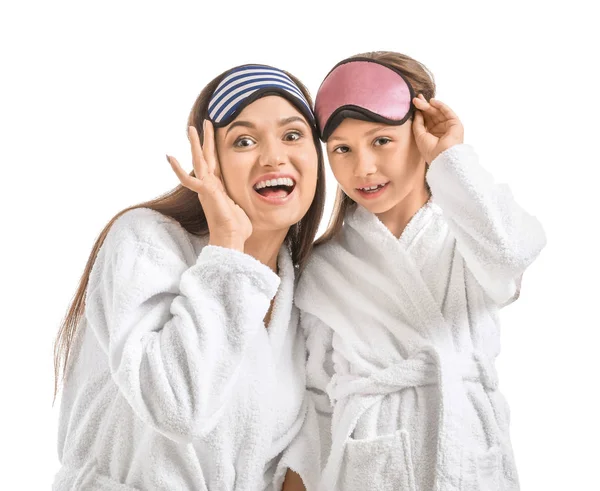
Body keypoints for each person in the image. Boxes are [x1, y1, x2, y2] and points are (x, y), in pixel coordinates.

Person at [53, 63, 326, 491]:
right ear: (209, 163)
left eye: (293, 135)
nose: (274, 156)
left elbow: (298, 455)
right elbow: (179, 408)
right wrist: (228, 245)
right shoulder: (145, 241)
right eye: (244, 140)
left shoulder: (299, 291)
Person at [295, 51, 546, 490]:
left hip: (470, 456)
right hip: (370, 469)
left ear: (420, 130)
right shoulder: (324, 267)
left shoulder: (470, 228)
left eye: (381, 141)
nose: (363, 168)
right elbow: (315, 398)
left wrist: (452, 159)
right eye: (342, 149)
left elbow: (511, 255)